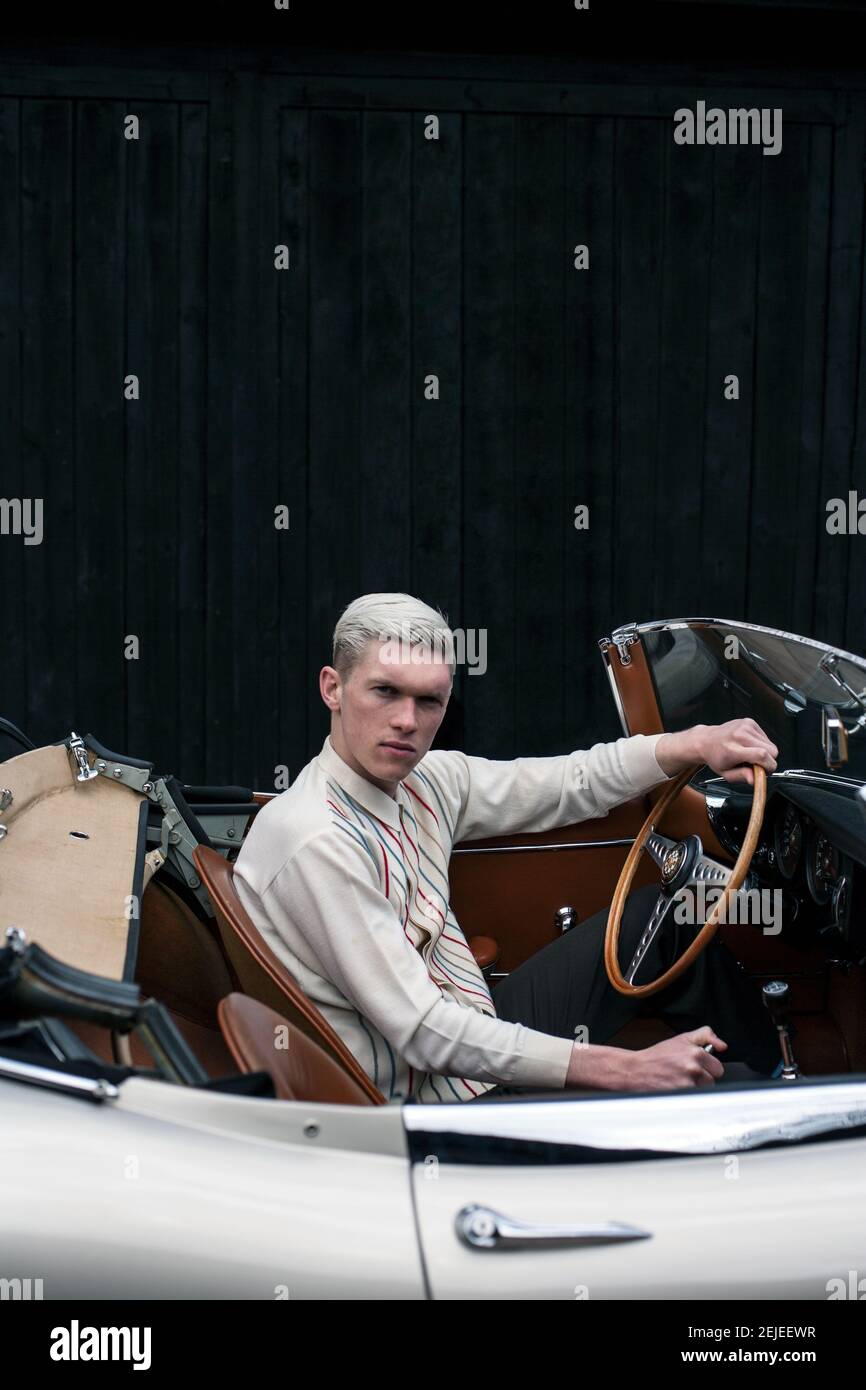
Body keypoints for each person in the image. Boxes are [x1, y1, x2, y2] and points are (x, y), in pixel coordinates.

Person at [233, 592, 782, 1104]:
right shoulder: (315, 839)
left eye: (429, 701)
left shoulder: (426, 781)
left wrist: (695, 742)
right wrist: (627, 1068)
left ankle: (776, 1085)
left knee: (662, 914)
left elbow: (570, 783)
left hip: (471, 1034)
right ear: (332, 687)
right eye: (385, 691)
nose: (407, 721)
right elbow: (423, 1031)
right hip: (423, 1106)